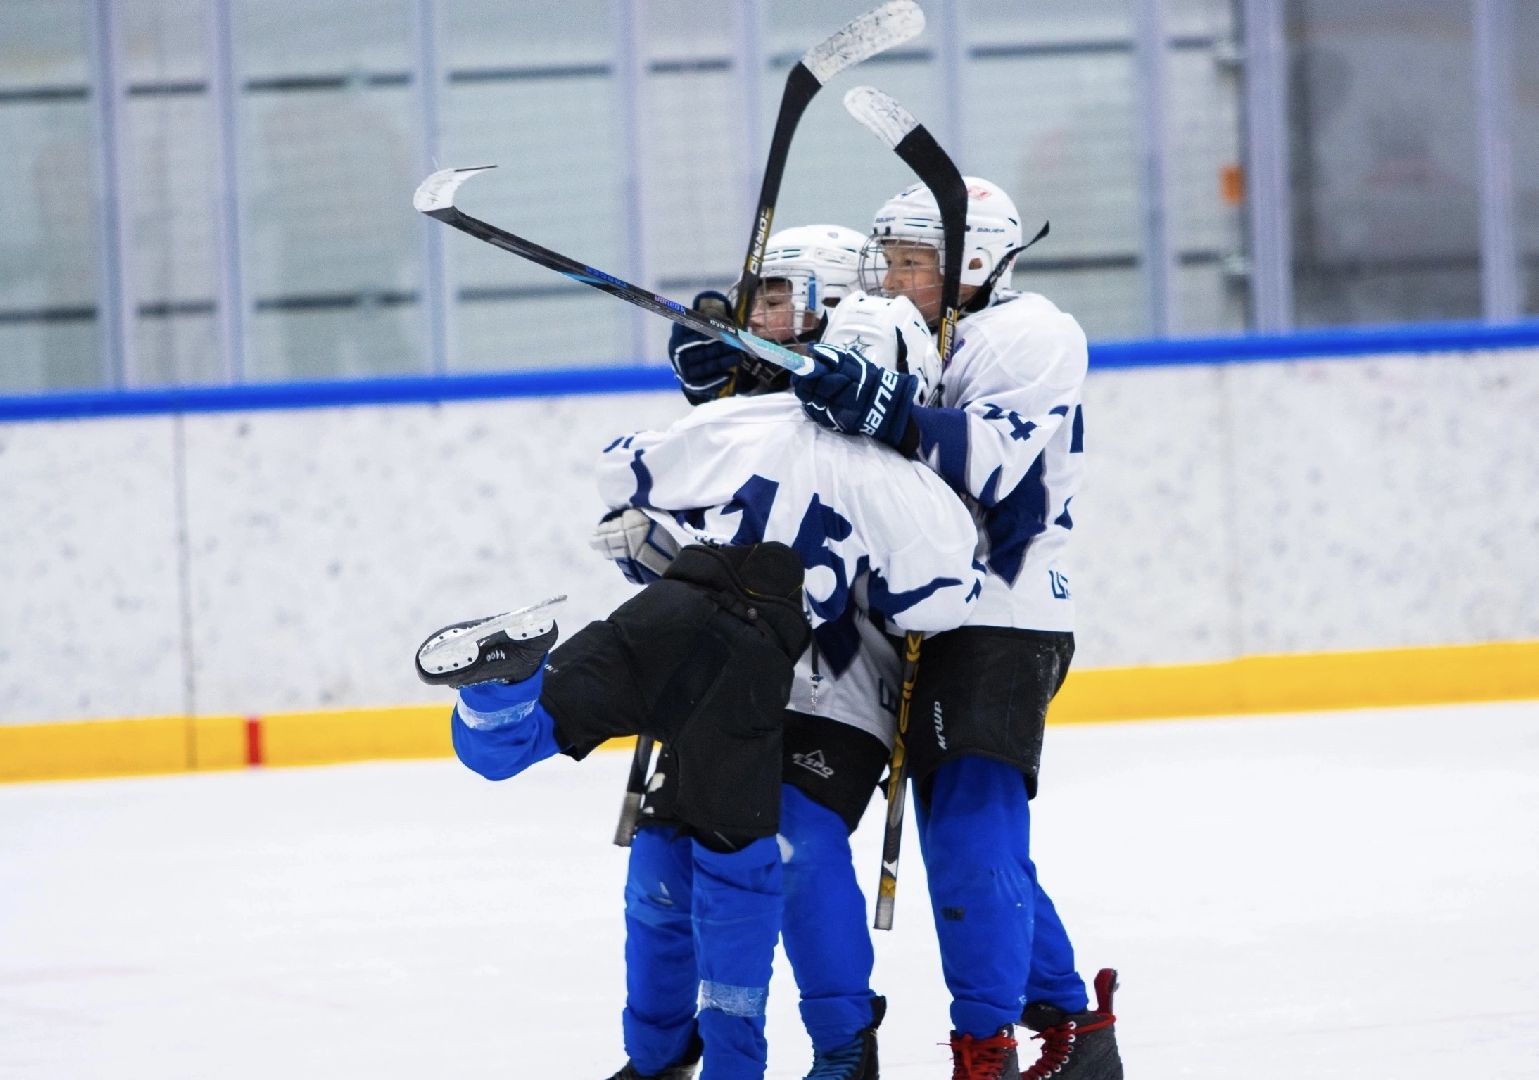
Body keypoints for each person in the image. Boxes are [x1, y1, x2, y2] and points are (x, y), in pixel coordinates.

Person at [416, 283, 984, 1080]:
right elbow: (941, 594)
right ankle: (697, 1056)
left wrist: (678, 506)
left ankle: (841, 1046)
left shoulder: (771, 430)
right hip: (750, 664)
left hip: (801, 675)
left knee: (787, 847)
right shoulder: (876, 470)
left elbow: (626, 468)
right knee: (692, 865)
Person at [784, 178, 1124, 1080]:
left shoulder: (1032, 332)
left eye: (910, 263)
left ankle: (987, 1051)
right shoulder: (910, 329)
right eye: (886, 260)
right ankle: (1077, 1028)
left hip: (1004, 611)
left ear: (974, 262)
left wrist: (880, 407)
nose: (891, 279)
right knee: (969, 841)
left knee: (969, 841)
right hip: (921, 610)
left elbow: (986, 457)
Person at [594, 225, 908, 1080]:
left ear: (826, 303)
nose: (754, 313)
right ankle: (659, 1054)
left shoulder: (880, 402)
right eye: (752, 299)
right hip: (728, 681)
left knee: (797, 848)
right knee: (660, 870)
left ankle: (846, 1049)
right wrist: (657, 550)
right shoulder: (736, 410)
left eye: (774, 296)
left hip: (836, 681)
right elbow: (694, 548)